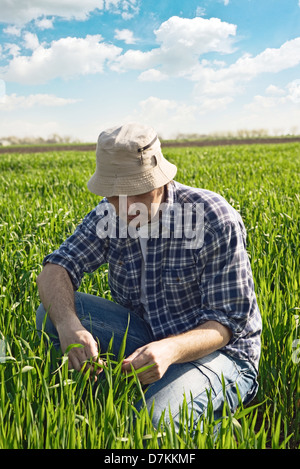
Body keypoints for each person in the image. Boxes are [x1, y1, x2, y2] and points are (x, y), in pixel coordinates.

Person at [36, 122, 262, 430]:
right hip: (149, 337)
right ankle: (98, 399)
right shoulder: (109, 215)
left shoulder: (211, 217)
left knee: (148, 423)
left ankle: (217, 421)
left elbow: (225, 325)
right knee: (51, 313)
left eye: (134, 193)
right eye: (113, 195)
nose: (124, 207)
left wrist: (170, 349)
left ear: (159, 181)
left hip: (221, 354)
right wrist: (68, 326)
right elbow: (56, 269)